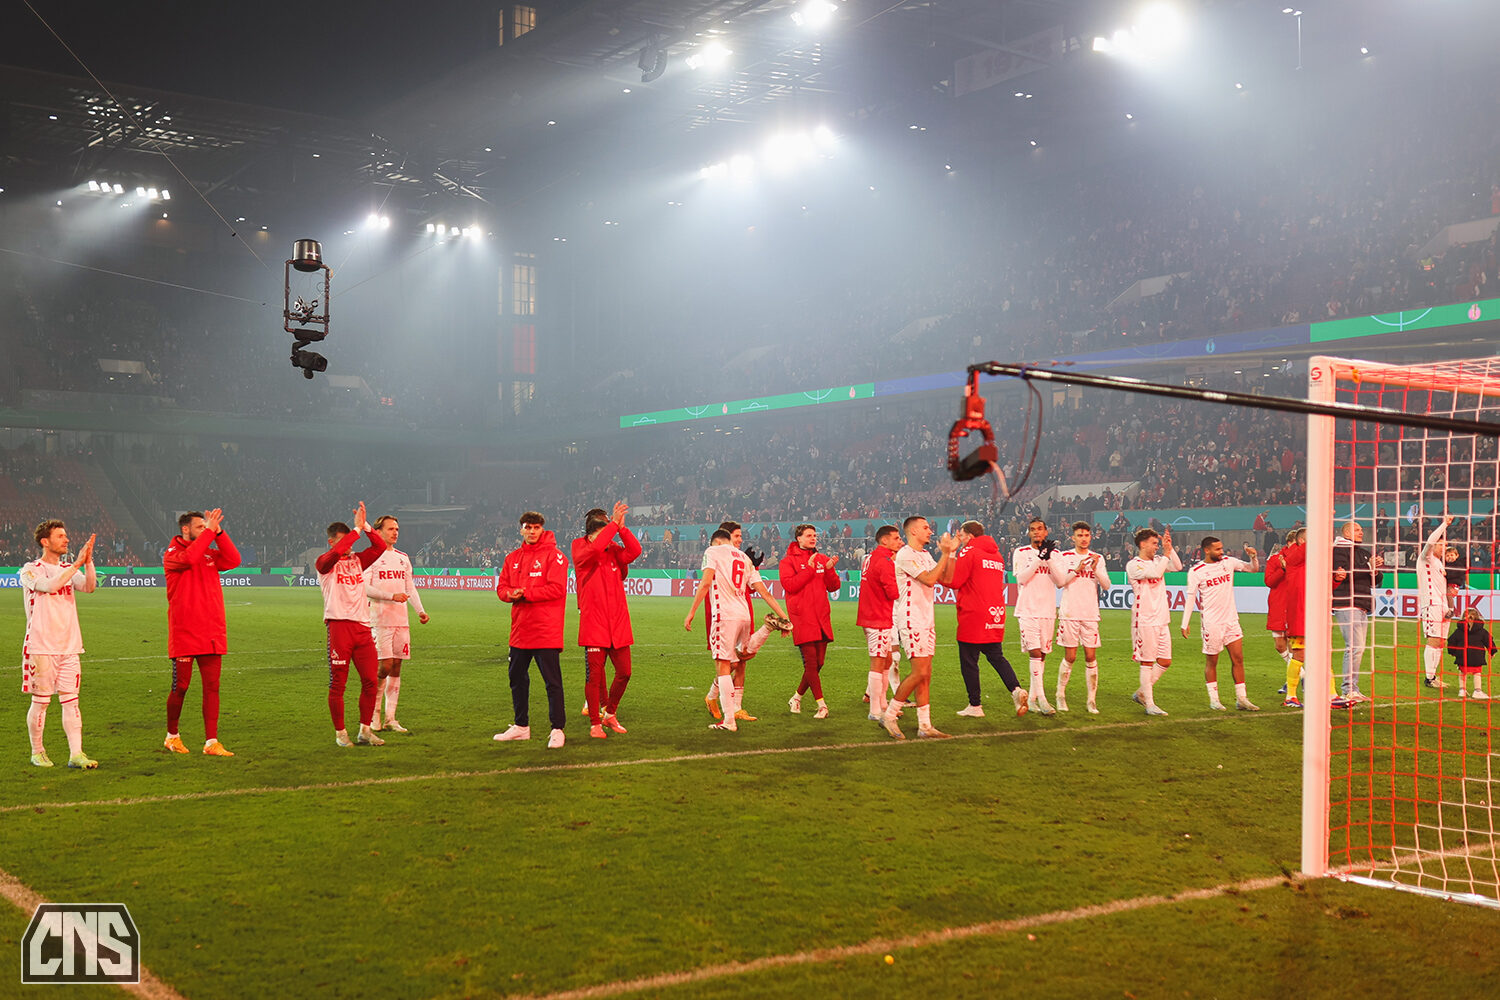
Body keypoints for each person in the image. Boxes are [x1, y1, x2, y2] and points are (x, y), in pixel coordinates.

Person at [684, 530, 789, 732]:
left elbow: (706, 582)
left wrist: (691, 612)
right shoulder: (744, 558)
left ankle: (729, 721)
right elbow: (764, 591)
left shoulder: (713, 551)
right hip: (744, 614)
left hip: (725, 615)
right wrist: (784, 617)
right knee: (742, 654)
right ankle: (767, 627)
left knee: (723, 665)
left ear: (715, 541)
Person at [163, 508, 240, 757]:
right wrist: (210, 533)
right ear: (185, 529)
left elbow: (234, 560)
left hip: (211, 630)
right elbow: (189, 559)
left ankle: (211, 742)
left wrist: (220, 533)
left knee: (212, 687)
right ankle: (172, 736)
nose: (205, 530)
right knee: (181, 687)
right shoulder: (173, 554)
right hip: (184, 631)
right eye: (200, 527)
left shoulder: (209, 553)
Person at [21, 520, 98, 768]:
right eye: (61, 536)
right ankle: (37, 752)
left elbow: (89, 587)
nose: (66, 540)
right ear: (45, 541)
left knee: (71, 701)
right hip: (41, 646)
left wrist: (88, 562)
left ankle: (76, 754)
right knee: (41, 701)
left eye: (66, 535)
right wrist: (76, 564)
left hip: (70, 646)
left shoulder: (68, 568)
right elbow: (50, 586)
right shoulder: (30, 570)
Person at [494, 512, 571, 748]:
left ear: (542, 529)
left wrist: (526, 593)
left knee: (552, 682)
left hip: (546, 630)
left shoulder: (556, 557)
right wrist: (510, 594)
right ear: (521, 530)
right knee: (516, 678)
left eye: (536, 527)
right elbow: (501, 588)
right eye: (528, 527)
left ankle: (557, 729)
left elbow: (557, 589)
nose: (532, 531)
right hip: (520, 630)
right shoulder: (512, 558)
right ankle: (521, 727)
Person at [315, 503, 388, 747]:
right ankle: (340, 734)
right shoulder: (324, 563)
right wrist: (355, 532)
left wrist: (364, 525)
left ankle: (365, 730)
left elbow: (379, 546)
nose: (349, 546)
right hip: (339, 628)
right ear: (331, 542)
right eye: (343, 541)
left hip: (362, 628)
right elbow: (337, 553)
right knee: (338, 684)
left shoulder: (357, 560)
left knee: (370, 681)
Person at [879, 516, 957, 740]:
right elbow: (930, 580)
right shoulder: (905, 554)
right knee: (919, 672)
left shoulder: (925, 555)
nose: (930, 531)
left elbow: (947, 579)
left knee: (926, 674)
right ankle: (890, 715)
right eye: (925, 527)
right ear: (913, 531)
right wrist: (944, 554)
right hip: (912, 618)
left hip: (927, 619)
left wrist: (950, 553)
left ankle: (925, 725)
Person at [943, 519, 1027, 718]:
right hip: (994, 612)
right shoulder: (997, 555)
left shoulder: (969, 551)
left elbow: (954, 581)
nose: (960, 539)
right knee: (996, 656)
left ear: (970, 536)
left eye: (961, 535)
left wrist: (951, 554)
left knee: (969, 660)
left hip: (974, 613)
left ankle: (975, 705)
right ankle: (1016, 689)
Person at [572, 502, 641, 738]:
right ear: (592, 533)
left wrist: (622, 528)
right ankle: (595, 723)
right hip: (594, 623)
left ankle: (610, 713)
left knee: (625, 672)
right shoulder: (580, 546)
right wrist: (613, 526)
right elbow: (595, 549)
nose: (609, 538)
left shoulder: (612, 549)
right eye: (606, 531)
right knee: (594, 676)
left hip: (618, 623)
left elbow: (635, 551)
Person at [1180, 536, 1261, 712]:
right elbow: (1191, 597)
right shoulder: (1196, 571)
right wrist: (1185, 623)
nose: (1221, 551)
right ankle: (1214, 700)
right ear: (1206, 550)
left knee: (1238, 658)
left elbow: (1253, 569)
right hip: (1212, 623)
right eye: (1217, 549)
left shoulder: (1228, 562)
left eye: (1221, 548)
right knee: (1212, 661)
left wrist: (1253, 557)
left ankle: (1242, 699)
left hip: (1231, 619)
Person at [364, 515, 429, 734]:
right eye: (391, 529)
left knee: (397, 666)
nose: (395, 532)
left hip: (401, 621)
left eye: (397, 529)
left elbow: (409, 588)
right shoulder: (371, 557)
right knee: (384, 666)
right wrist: (391, 596)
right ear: (378, 532)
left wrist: (420, 611)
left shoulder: (403, 558)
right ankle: (374, 716)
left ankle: (391, 718)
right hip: (380, 620)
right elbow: (365, 588)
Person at [1049, 522, 1111, 714]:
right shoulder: (1065, 556)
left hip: (1090, 614)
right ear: (1073, 537)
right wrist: (1076, 570)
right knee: (1071, 656)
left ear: (1090, 537)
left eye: (1086, 535)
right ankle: (1060, 695)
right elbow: (1060, 583)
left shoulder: (1098, 558)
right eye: (1080, 535)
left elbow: (1107, 585)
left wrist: (1096, 568)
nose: (1083, 538)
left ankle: (1091, 700)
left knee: (1091, 656)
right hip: (1070, 613)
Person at [780, 524, 841, 718]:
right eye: (808, 535)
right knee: (811, 663)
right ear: (798, 538)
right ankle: (821, 705)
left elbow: (833, 587)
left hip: (821, 616)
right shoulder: (788, 561)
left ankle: (796, 698)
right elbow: (790, 585)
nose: (813, 538)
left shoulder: (822, 558)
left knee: (819, 663)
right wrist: (809, 570)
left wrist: (829, 570)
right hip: (803, 617)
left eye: (814, 535)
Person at [1126, 527, 1181, 716]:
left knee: (1165, 660)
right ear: (1142, 544)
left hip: (1162, 618)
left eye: (1158, 544)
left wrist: (1169, 548)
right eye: (1154, 543)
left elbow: (1178, 566)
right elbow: (1156, 574)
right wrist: (1165, 554)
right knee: (1147, 662)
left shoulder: (1159, 560)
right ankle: (1149, 704)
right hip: (1145, 619)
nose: (1157, 547)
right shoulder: (1134, 565)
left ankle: (1142, 693)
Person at [1331, 521, 1384, 703]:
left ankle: (1353, 688)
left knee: (1358, 648)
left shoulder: (1363, 552)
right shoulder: (1339, 550)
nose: (1361, 532)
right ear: (1346, 532)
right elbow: (1343, 574)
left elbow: (1376, 581)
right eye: (1356, 529)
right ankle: (1348, 689)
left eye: (1361, 529)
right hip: (1346, 602)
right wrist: (1369, 566)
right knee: (1354, 647)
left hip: (1361, 603)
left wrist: (1374, 569)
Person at [1013, 518, 1059, 716]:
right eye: (1032, 529)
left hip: (1047, 611)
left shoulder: (1055, 554)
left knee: (1042, 655)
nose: (1036, 532)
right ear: (1029, 533)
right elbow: (1022, 578)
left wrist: (1049, 559)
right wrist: (1039, 558)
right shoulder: (1021, 552)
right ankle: (1042, 699)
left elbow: (1060, 581)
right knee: (1035, 653)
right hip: (1027, 610)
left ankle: (1032, 699)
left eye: (1040, 529)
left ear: (1046, 532)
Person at [856, 524, 902, 721]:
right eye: (896, 538)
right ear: (884, 540)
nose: (900, 542)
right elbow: (893, 592)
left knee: (887, 659)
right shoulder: (885, 561)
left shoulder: (870, 558)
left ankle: (883, 704)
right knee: (878, 662)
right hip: (878, 617)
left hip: (871, 615)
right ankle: (875, 710)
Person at [1417, 515, 1459, 689]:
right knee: (1434, 640)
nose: (1444, 548)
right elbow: (1430, 541)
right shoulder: (1425, 558)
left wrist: (1451, 602)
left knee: (1441, 642)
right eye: (1441, 545)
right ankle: (1429, 678)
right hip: (1431, 605)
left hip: (1443, 606)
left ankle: (1433, 677)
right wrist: (1445, 524)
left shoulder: (1440, 564)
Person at [1265, 529, 1297, 695]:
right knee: (1279, 645)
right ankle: (1302, 675)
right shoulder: (1275, 559)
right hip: (1278, 605)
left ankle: (1291, 682)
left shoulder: (1304, 561)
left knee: (1294, 646)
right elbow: (1269, 581)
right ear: (1289, 543)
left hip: (1294, 606)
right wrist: (1283, 569)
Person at [1447, 608, 1493, 699]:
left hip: (1462, 656)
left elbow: (1451, 641)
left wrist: (1452, 652)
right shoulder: (1482, 631)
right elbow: (1489, 641)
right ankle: (1477, 691)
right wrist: (1492, 651)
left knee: (1462, 672)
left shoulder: (1458, 631)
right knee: (1477, 673)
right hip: (1477, 657)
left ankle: (1462, 690)